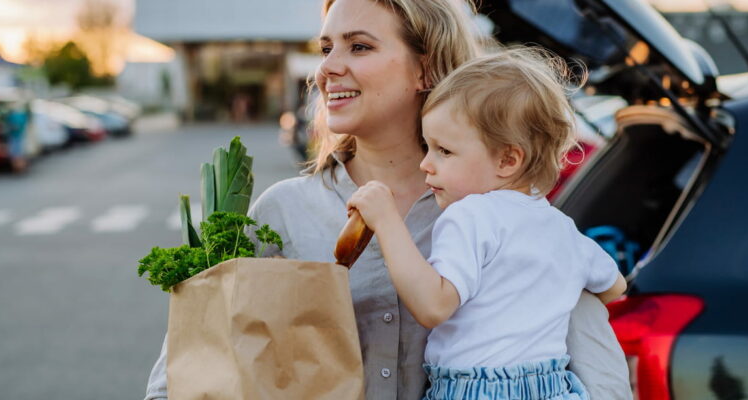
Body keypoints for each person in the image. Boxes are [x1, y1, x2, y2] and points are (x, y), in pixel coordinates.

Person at [145, 0, 631, 398]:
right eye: (326, 48)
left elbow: (597, 369)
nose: (328, 69)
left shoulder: (502, 211)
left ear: (426, 69)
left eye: (359, 47)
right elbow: (187, 369)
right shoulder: (283, 212)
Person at [346, 48, 628, 400]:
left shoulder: (470, 215)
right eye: (427, 147)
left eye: (444, 151)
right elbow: (614, 286)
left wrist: (386, 221)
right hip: (553, 387)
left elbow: (433, 306)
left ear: (508, 159)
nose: (426, 165)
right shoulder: (562, 227)